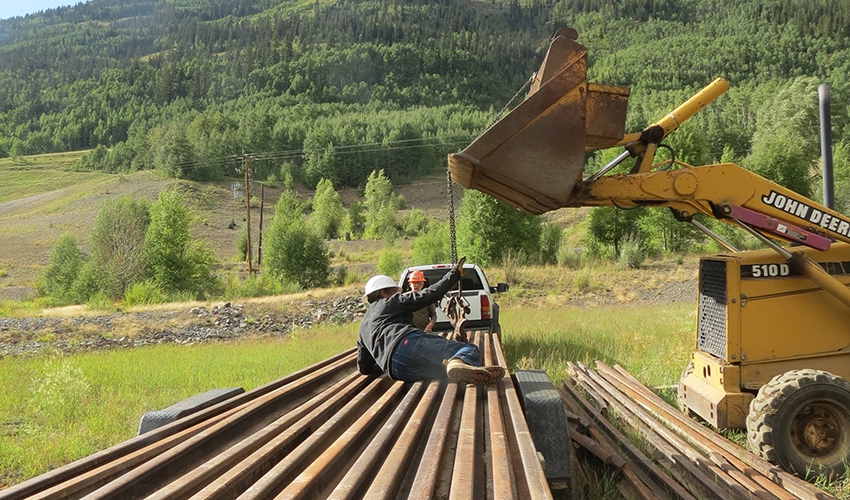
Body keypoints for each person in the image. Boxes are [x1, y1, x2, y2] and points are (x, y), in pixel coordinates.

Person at [357, 257, 503, 385]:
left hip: (397, 370)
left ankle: (464, 368)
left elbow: (364, 368)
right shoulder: (390, 302)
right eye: (394, 291)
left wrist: (384, 358)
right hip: (407, 343)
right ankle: (461, 361)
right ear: (384, 292)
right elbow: (429, 295)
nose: (397, 294)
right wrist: (454, 275)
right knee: (469, 349)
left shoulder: (363, 326)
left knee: (442, 369)